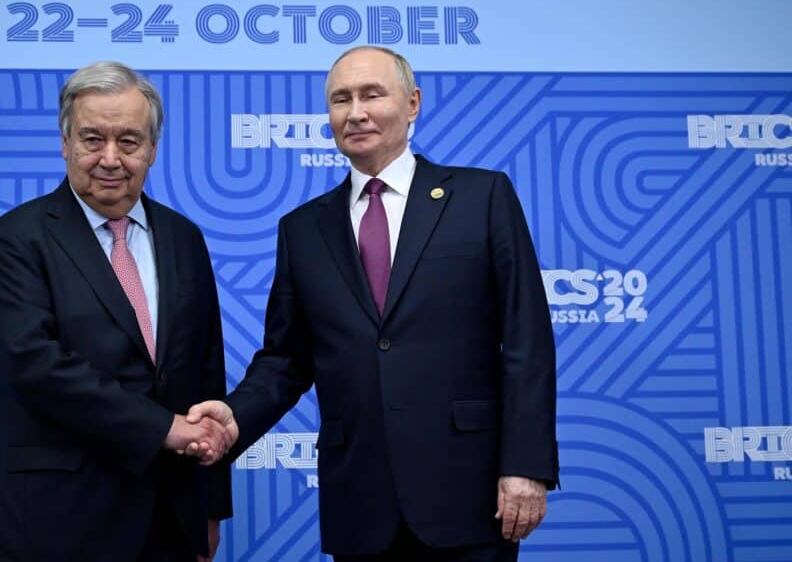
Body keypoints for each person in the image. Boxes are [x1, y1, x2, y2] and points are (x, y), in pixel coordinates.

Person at [187, 46, 558, 561]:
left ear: (412, 104)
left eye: (371, 94)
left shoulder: (483, 197)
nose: (355, 112)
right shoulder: (302, 229)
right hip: (360, 503)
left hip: (470, 496)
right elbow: (286, 360)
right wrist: (234, 416)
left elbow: (527, 341)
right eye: (341, 99)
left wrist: (526, 465)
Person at [0, 61, 232, 561]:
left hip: (169, 518)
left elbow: (206, 373)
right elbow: (32, 366)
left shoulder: (185, 238)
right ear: (66, 143)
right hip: (54, 521)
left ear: (153, 149)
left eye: (130, 141)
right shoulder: (17, 238)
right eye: (92, 139)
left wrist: (210, 507)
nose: (110, 158)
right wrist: (164, 428)